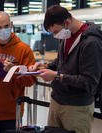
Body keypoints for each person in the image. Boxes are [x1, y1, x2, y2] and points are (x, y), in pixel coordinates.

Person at [29, 5, 102, 133]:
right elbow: (61, 63)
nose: (55, 36)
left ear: (67, 22)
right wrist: (44, 66)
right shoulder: (66, 36)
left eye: (56, 32)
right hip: (57, 101)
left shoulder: (91, 42)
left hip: (77, 107)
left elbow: (89, 82)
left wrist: (57, 76)